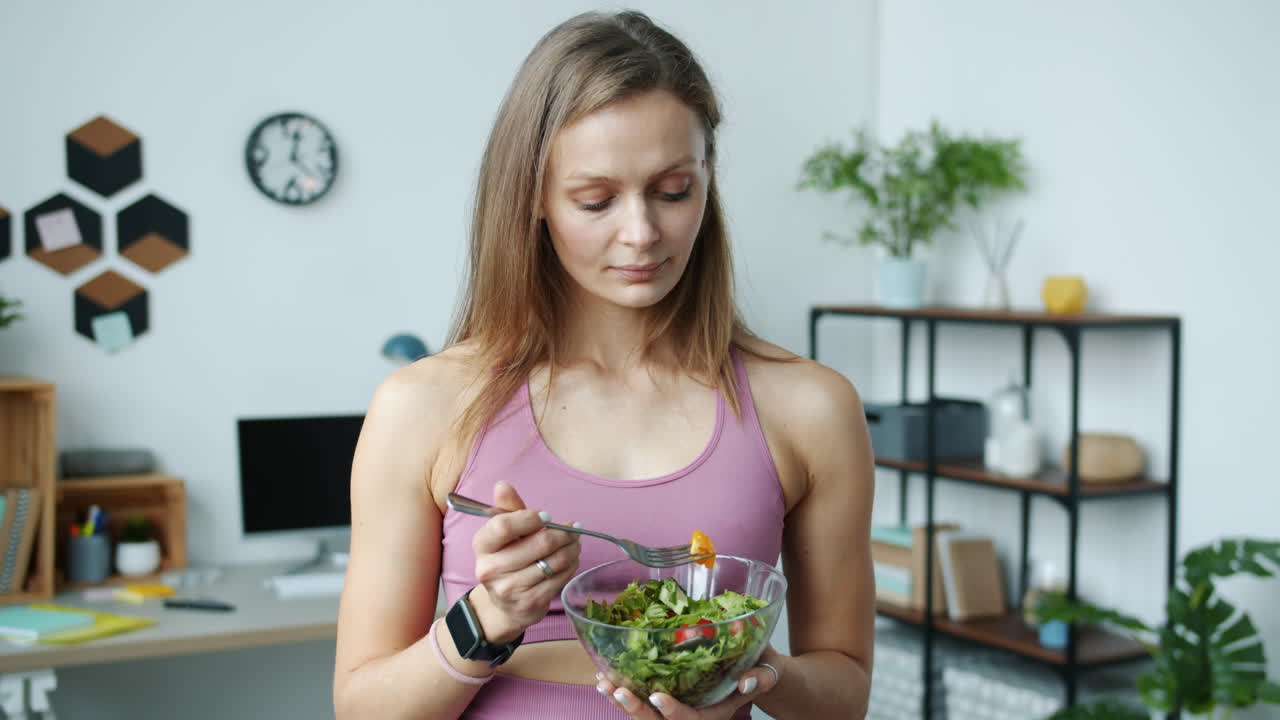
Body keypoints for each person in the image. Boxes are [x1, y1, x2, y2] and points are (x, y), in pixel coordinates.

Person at [333, 9, 874, 720]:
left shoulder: (810, 407)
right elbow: (361, 708)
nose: (642, 232)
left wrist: (741, 668)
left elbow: (844, 692)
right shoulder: (423, 406)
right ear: (532, 198)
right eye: (595, 200)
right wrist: (489, 616)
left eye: (673, 190)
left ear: (708, 181)